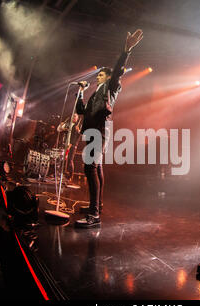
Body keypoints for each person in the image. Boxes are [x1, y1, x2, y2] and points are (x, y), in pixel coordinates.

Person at [74, 29, 143, 228]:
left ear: (108, 77)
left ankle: (94, 215)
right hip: (93, 131)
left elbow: (119, 70)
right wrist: (81, 92)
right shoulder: (96, 93)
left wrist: (126, 50)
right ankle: (97, 206)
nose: (98, 77)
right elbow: (81, 110)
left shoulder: (111, 86)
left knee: (90, 168)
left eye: (101, 75)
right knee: (97, 167)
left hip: (100, 131)